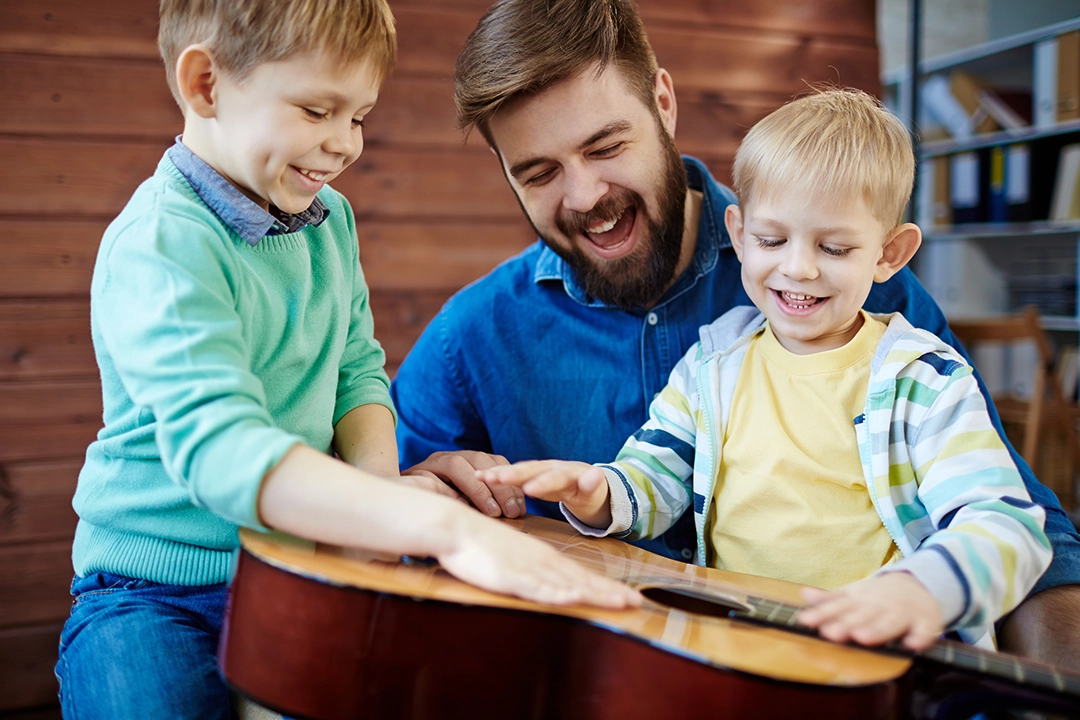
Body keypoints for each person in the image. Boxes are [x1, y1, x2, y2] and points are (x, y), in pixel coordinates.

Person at [391, 0, 1080, 666]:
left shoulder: (867, 303)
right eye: (538, 173)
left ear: (662, 101)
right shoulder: (471, 337)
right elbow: (375, 497)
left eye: (605, 146)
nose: (584, 196)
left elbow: (1018, 522)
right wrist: (411, 484)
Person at [54, 1, 639, 717]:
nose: (342, 145)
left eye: (357, 116)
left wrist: (379, 490)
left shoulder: (328, 222)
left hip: (302, 565)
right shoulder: (163, 244)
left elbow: (356, 370)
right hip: (153, 593)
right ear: (206, 85)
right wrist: (434, 525)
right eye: (315, 110)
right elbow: (221, 454)